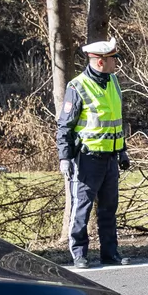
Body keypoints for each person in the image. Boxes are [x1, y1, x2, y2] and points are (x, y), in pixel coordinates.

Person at [57, 38, 131, 268]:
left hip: (110, 158)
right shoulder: (77, 86)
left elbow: (116, 122)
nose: (117, 63)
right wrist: (65, 157)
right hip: (87, 159)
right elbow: (64, 126)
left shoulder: (114, 82)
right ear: (100, 61)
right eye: (113, 59)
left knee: (109, 208)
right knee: (82, 209)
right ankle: (79, 254)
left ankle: (111, 254)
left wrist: (123, 151)